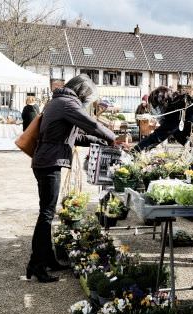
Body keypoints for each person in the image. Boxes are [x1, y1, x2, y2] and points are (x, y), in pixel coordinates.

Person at [28, 74, 116, 282]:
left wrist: (100, 142)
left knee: (47, 213)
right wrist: (112, 138)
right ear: (82, 92)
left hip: (45, 161)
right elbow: (90, 124)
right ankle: (37, 264)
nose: (88, 102)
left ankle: (47, 258)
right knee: (46, 214)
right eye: (88, 98)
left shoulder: (58, 101)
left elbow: (76, 136)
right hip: (49, 163)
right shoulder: (68, 104)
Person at [131, 86, 193, 262]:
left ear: (163, 102)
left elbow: (159, 135)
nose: (158, 111)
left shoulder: (178, 110)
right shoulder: (183, 105)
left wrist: (135, 150)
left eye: (157, 107)